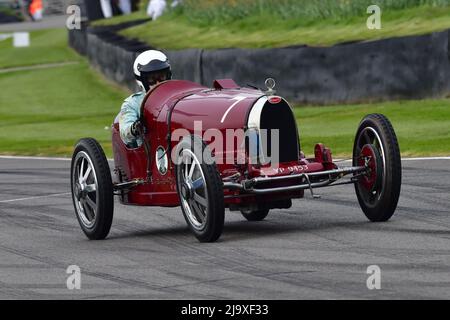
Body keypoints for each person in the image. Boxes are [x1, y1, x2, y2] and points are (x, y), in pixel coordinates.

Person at [119, 50, 172, 148]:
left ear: (168, 76)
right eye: (151, 79)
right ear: (142, 81)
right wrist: (135, 127)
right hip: (149, 151)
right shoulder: (133, 103)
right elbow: (125, 133)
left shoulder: (177, 96)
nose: (158, 83)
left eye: (162, 77)